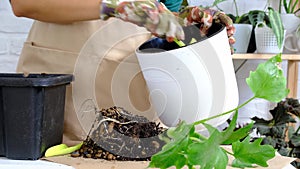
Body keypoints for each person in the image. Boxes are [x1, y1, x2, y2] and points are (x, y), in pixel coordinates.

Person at [10, 0, 235, 146]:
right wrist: (114, 7)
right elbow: (23, 4)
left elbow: (167, 12)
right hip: (63, 82)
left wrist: (192, 27)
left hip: (133, 91)